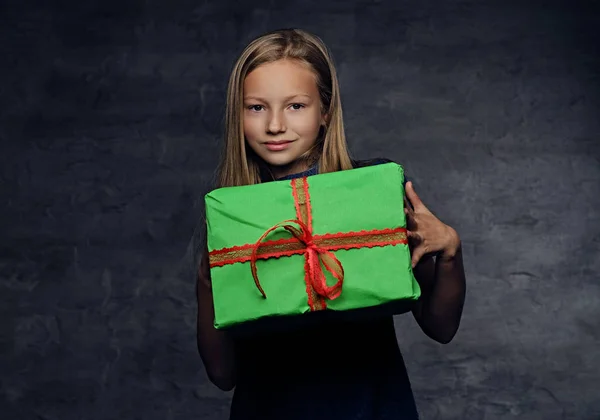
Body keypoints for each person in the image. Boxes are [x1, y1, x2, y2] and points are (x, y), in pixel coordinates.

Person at [195, 28, 466, 420]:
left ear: (325, 111)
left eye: (295, 106)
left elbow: (440, 327)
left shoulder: (375, 190)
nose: (274, 125)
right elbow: (222, 374)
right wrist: (208, 280)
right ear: (237, 115)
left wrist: (451, 253)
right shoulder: (227, 214)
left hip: (372, 409)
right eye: (256, 107)